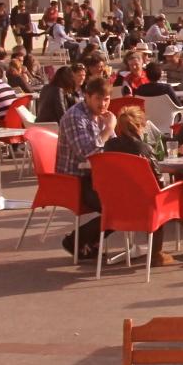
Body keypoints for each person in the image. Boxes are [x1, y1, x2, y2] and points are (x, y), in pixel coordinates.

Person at [56, 77, 115, 258]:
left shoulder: (102, 117)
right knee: (118, 207)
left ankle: (87, 242)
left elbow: (113, 147)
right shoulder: (75, 117)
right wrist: (108, 130)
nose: (103, 104)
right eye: (98, 99)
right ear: (87, 97)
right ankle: (77, 241)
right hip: (76, 178)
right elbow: (86, 153)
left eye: (106, 99)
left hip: (98, 176)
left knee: (131, 200)